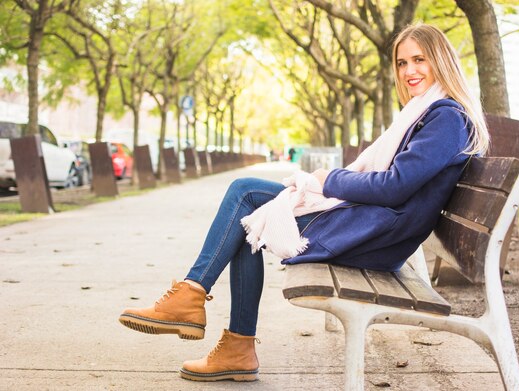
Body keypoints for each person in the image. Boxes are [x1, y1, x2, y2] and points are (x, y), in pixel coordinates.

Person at [118, 23, 489, 383]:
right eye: (402, 63)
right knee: (251, 213)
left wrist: (331, 179)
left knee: (246, 195)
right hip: (377, 227)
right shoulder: (430, 112)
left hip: (377, 236)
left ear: (441, 61)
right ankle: (225, 336)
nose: (409, 70)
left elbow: (395, 187)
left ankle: (198, 303)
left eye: (419, 60)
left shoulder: (445, 117)